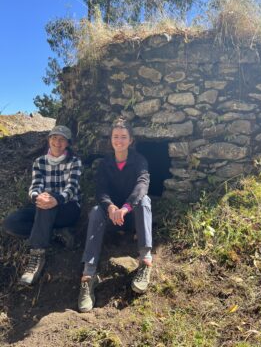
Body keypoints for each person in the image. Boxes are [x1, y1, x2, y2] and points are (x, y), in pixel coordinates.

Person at [78, 118, 152, 313]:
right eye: (115, 137)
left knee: (145, 201)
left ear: (131, 140)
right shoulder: (105, 163)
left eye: (123, 137)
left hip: (131, 215)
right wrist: (110, 207)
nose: (119, 140)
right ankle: (88, 275)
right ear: (111, 139)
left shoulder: (139, 160)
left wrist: (126, 207)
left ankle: (145, 261)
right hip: (112, 217)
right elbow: (101, 190)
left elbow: (142, 185)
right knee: (95, 211)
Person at [2, 125, 82, 286]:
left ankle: (37, 255)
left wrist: (55, 199)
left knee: (47, 205)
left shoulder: (74, 162)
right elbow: (36, 185)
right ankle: (56, 233)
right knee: (10, 223)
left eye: (62, 140)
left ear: (67, 144)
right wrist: (37, 196)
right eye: (54, 138)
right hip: (43, 207)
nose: (57, 143)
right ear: (49, 140)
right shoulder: (39, 162)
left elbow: (72, 188)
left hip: (68, 208)